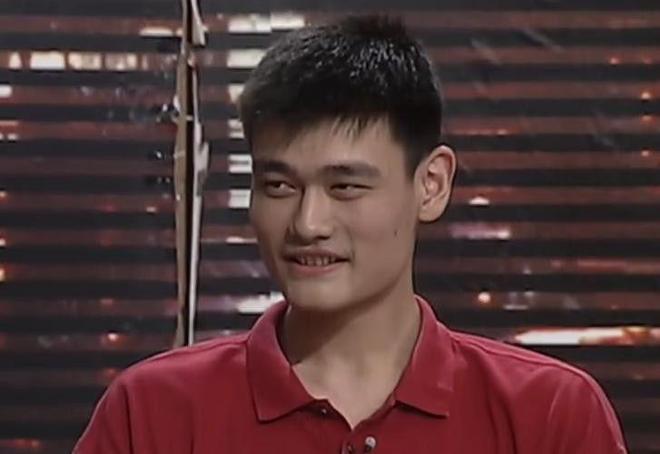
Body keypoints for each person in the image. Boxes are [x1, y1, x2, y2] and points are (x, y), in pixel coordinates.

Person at [74, 15, 627, 453]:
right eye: (279, 185)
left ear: (431, 185)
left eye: (345, 187)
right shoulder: (153, 412)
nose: (307, 224)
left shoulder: (549, 414)